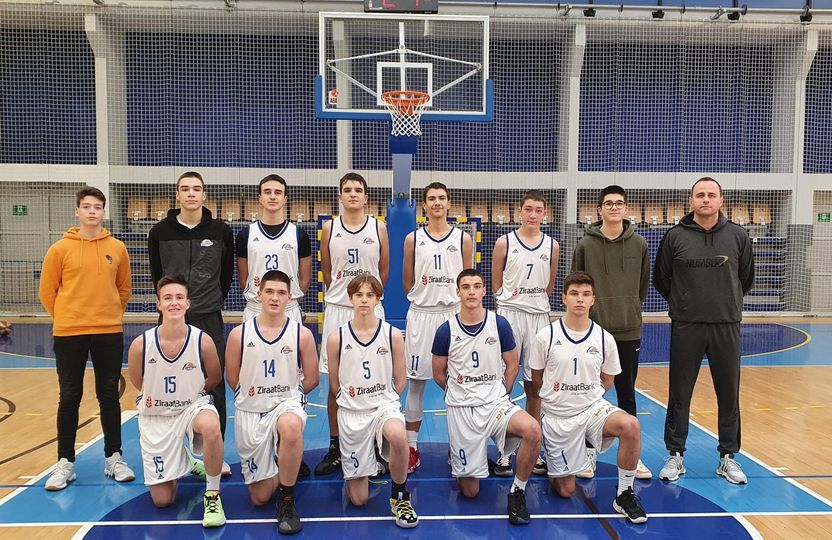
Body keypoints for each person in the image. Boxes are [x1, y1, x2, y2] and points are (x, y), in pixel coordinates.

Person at [653, 177, 755, 485]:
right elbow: (662, 279)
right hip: (687, 325)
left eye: (712, 195)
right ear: (691, 201)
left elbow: (745, 279)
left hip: (726, 325)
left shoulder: (738, 236)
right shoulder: (675, 236)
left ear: (721, 201)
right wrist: (685, 303)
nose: (706, 199)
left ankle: (728, 457)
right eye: (700, 195)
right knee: (679, 393)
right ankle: (675, 454)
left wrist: (724, 303)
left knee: (729, 393)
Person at [531, 271, 648, 524]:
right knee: (566, 490)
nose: (580, 299)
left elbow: (608, 379)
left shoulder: (604, 338)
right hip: (558, 417)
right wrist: (562, 397)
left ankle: (624, 494)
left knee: (631, 425)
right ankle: (555, 461)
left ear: (593, 300)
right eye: (574, 294)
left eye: (586, 294)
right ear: (563, 298)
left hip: (592, 409)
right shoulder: (545, 336)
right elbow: (537, 379)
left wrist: (586, 397)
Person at [38, 186, 135, 491]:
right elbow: (47, 292)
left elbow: (124, 288)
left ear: (104, 212)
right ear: (77, 211)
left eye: (97, 207)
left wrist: (109, 313)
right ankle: (65, 463)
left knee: (109, 395)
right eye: (87, 206)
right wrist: (67, 316)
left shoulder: (117, 248)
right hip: (69, 333)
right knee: (69, 396)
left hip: (108, 331)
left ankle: (114, 458)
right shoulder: (59, 249)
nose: (92, 211)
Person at [432, 268, 541, 525]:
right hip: (462, 409)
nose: (471, 292)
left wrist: (503, 392)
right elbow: (438, 373)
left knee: (533, 430)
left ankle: (517, 491)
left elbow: (512, 364)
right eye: (466, 287)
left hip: (495, 404)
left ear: (483, 291)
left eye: (476, 286)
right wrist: (458, 393)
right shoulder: (445, 330)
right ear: (457, 292)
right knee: (470, 492)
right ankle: (462, 453)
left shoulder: (499, 324)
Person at [148, 171, 234, 475]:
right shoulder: (160, 231)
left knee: (214, 385)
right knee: (169, 386)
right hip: (172, 318)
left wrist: (209, 299)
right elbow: (157, 274)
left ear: (204, 195)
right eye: (185, 189)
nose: (191, 193)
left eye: (196, 189)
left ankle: (215, 453)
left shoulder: (220, 230)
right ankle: (174, 453)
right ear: (177, 195)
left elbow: (226, 275)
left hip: (209, 316)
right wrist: (174, 305)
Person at [127, 275, 226, 528]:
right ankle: (186, 460)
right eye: (168, 298)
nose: (174, 302)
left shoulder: (202, 340)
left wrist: (188, 393)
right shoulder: (141, 345)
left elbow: (214, 378)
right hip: (156, 417)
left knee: (211, 425)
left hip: (191, 409)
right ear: (158, 304)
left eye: (179, 297)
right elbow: (139, 382)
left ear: (188, 303)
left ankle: (213, 496)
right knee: (163, 501)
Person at [226, 270, 319, 534]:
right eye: (269, 291)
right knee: (259, 498)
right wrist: (258, 397)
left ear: (290, 297)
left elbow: (312, 379)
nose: (275, 298)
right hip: (251, 411)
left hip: (286, 404)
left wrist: (286, 397)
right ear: (259, 294)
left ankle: (287, 500)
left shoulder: (301, 334)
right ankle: (285, 462)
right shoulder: (239, 335)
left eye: (281, 293)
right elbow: (232, 378)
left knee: (290, 426)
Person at [571, 185, 652, 480]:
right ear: (600, 210)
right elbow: (577, 285)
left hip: (628, 330)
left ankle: (632, 457)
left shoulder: (639, 245)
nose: (614, 208)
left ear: (626, 209)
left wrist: (628, 308)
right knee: (590, 394)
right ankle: (587, 453)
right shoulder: (585, 245)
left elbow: (642, 286)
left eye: (619, 203)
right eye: (608, 203)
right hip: (594, 332)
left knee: (627, 394)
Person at [326, 274, 418, 528]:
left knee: (398, 434)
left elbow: (401, 379)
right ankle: (361, 466)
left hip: (383, 407)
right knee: (358, 500)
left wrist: (385, 400)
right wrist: (354, 400)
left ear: (378, 299)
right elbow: (334, 384)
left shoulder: (392, 334)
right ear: (351, 298)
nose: (364, 300)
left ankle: (400, 496)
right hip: (352, 413)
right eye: (359, 295)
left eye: (370, 295)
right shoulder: (336, 338)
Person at [316, 172, 389, 475]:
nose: (353, 194)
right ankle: (336, 446)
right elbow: (327, 271)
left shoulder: (379, 227)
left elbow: (383, 269)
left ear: (366, 196)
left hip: (371, 309)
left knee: (375, 379)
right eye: (347, 190)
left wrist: (368, 298)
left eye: (358, 190)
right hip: (338, 309)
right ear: (340, 196)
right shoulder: (329, 228)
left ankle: (375, 443)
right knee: (336, 383)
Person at [402, 182, 473, 473]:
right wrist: (424, 296)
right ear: (424, 205)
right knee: (416, 383)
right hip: (422, 315)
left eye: (442, 198)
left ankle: (458, 446)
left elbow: (468, 280)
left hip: (453, 316)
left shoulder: (463, 239)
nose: (437, 203)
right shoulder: (413, 239)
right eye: (431, 198)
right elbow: (408, 281)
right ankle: (411, 447)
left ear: (449, 203)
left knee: (457, 384)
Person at [491, 190, 558, 477]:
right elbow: (496, 284)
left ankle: (533, 448)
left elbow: (549, 286)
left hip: (538, 318)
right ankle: (504, 452)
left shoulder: (553, 245)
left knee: (536, 386)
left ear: (545, 214)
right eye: (528, 209)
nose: (533, 214)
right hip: (510, 314)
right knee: (504, 384)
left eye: (538, 210)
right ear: (520, 211)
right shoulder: (504, 242)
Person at [236, 174, 312, 323]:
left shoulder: (299, 234)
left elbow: (305, 278)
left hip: (289, 308)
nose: (272, 196)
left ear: (285, 199)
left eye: (277, 192)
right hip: (256, 308)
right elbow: (243, 278)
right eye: (267, 192)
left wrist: (288, 300)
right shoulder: (246, 234)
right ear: (260, 198)